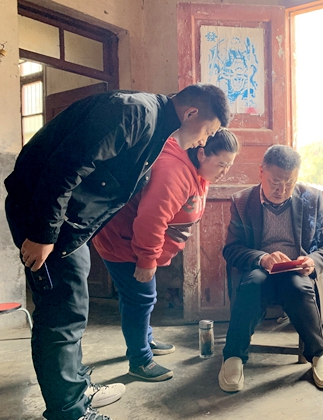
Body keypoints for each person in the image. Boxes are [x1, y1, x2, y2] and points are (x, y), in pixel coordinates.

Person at [4, 84, 230, 420]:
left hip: (69, 225)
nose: (203, 141)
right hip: (44, 218)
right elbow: (65, 165)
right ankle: (68, 411)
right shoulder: (134, 113)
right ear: (191, 113)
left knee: (74, 311)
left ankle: (77, 389)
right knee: (61, 315)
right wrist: (42, 233)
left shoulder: (157, 126)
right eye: (208, 131)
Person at [91, 129, 240, 381]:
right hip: (126, 242)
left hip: (137, 243)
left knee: (136, 297)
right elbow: (151, 221)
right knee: (140, 298)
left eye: (229, 166)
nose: (225, 172)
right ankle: (140, 361)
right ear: (202, 154)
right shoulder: (173, 172)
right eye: (221, 164)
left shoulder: (196, 169)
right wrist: (147, 259)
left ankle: (144, 339)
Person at [218, 145, 323, 392]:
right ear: (261, 172)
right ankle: (234, 356)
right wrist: (262, 258)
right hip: (260, 269)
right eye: (275, 182)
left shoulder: (312, 199)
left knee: (299, 288)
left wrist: (312, 261)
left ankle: (319, 354)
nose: (281, 190)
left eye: (289, 183)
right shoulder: (242, 201)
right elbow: (232, 249)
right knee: (252, 285)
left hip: (296, 270)